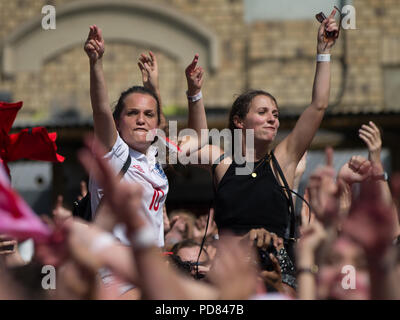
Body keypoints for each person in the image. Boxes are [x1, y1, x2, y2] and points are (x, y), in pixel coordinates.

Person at [186, 10, 340, 258]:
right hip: (231, 271)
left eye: (276, 114)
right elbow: (194, 144)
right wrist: (195, 94)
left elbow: (318, 105)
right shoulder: (223, 163)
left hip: (277, 273)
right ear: (239, 122)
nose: (272, 118)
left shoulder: (284, 161)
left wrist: (324, 51)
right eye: (263, 112)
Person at [83, 25, 203, 247]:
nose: (141, 120)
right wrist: (96, 62)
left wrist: (195, 93)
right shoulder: (115, 152)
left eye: (148, 115)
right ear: (117, 122)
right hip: (114, 273)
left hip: (149, 270)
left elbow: (198, 138)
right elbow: (100, 109)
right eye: (132, 113)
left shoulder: (154, 156)